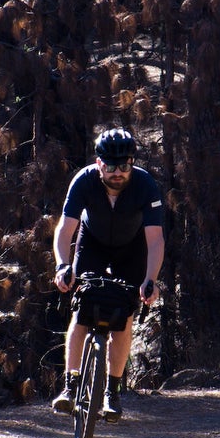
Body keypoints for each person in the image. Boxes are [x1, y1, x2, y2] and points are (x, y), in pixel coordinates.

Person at [51, 128, 165, 419]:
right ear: (99, 162)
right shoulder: (84, 181)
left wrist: (150, 279)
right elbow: (65, 230)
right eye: (111, 165)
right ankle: (70, 386)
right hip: (93, 244)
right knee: (81, 312)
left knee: (123, 319)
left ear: (132, 164)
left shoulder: (145, 185)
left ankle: (111, 393)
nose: (118, 172)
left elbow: (155, 240)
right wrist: (63, 266)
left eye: (124, 165)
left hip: (132, 249)